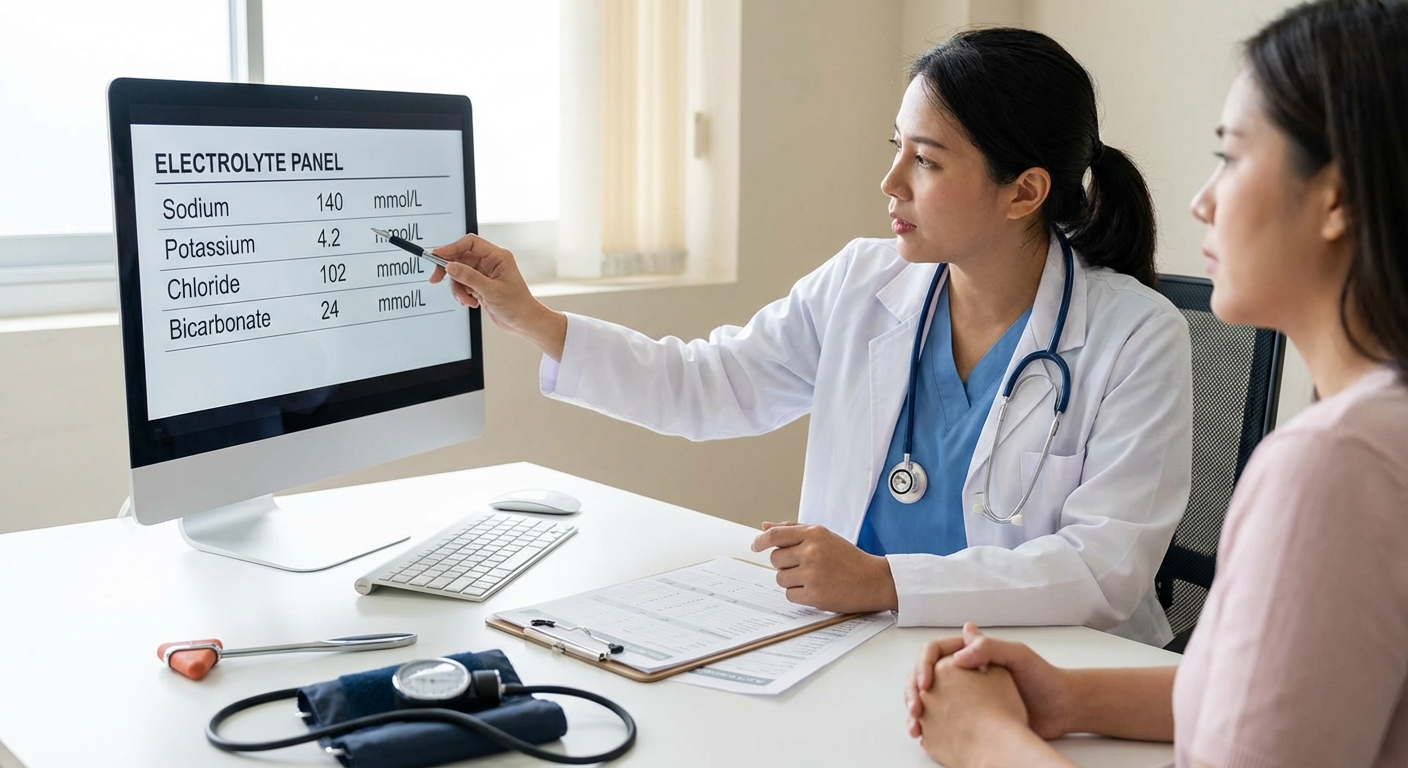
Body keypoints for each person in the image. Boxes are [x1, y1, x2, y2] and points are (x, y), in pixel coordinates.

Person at [429, 28, 1192, 646]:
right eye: (896, 147)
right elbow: (710, 386)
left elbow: (1105, 570)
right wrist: (532, 317)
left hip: (1053, 671)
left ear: (1024, 191)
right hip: (864, 647)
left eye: (925, 160)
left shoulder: (1134, 336)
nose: (891, 182)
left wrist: (884, 581)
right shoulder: (864, 283)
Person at [903, 1, 1408, 765]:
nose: (1202, 200)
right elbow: (1273, 687)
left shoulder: (1336, 468)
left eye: (1232, 158)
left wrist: (984, 742)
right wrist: (1070, 695)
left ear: (1335, 198)